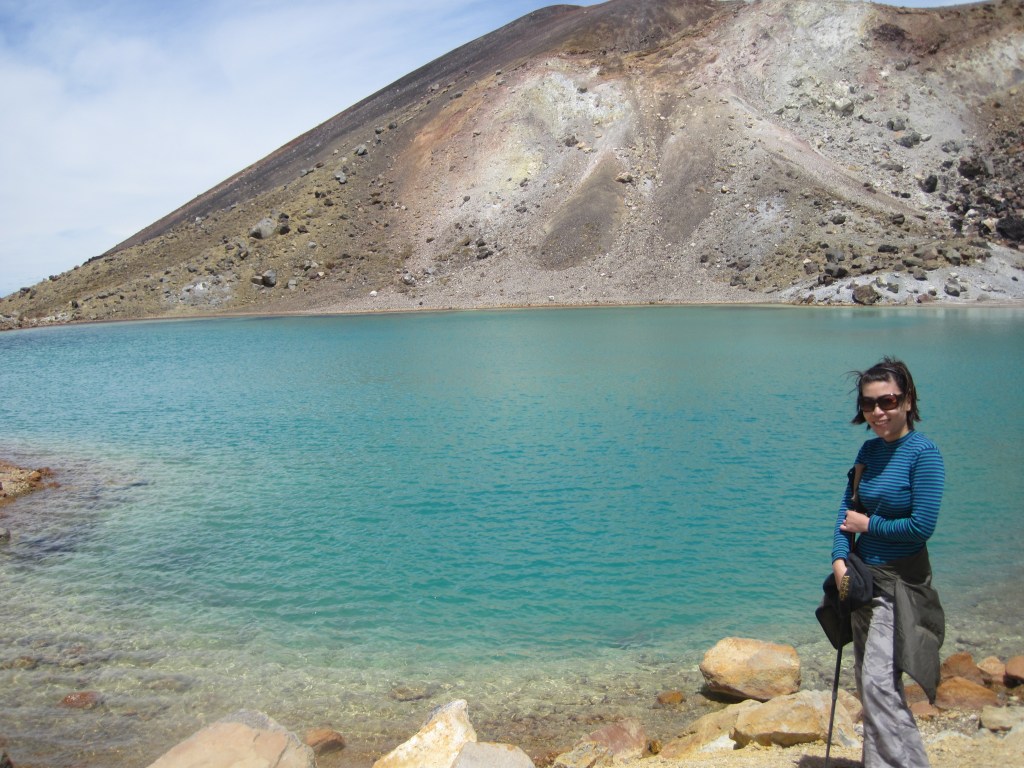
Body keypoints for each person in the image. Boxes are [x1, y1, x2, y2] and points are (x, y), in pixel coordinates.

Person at [831, 356, 945, 768]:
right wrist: (839, 559)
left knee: (879, 684)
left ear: (908, 401)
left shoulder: (923, 454)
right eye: (868, 404)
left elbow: (920, 527)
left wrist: (870, 524)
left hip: (900, 584)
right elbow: (846, 512)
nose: (877, 412)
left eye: (888, 402)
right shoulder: (869, 450)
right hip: (862, 580)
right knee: (870, 682)